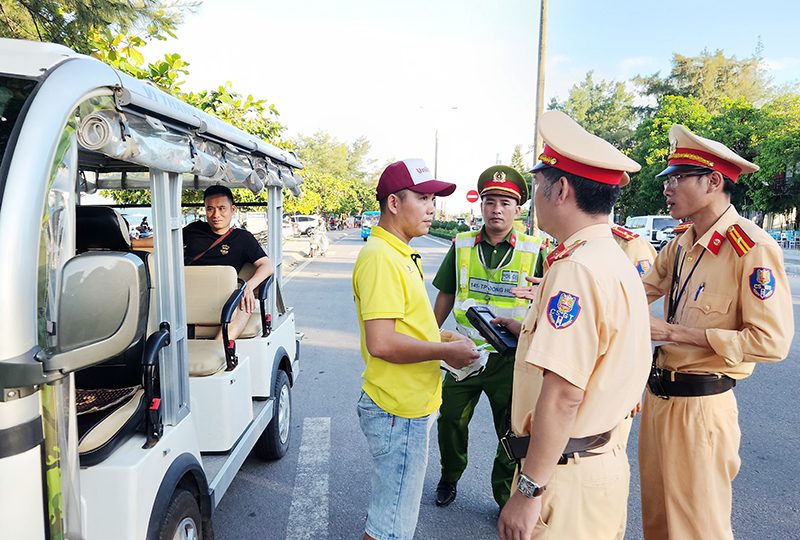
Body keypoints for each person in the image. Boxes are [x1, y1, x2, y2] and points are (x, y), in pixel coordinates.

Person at [494, 110, 651, 540]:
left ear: (560, 188)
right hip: (597, 466)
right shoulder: (616, 259)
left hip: (563, 477)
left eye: (538, 185)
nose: (532, 199)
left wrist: (528, 491)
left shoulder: (576, 269)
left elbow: (563, 395)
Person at [638, 125, 794, 540]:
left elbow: (771, 341)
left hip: (701, 407)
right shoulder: (680, 244)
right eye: (667, 178)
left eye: (677, 178)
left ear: (713, 182)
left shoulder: (752, 249)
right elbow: (633, 293)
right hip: (658, 399)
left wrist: (676, 333)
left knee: (697, 529)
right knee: (657, 523)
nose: (667, 188)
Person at [352, 158, 480, 540]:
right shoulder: (381, 258)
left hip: (406, 405)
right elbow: (382, 342)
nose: (432, 209)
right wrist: (445, 353)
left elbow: (406, 326)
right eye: (423, 198)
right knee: (390, 526)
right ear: (394, 203)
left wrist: (445, 339)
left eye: (434, 200)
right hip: (398, 409)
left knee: (392, 518)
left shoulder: (399, 253)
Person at [431, 165, 545, 508]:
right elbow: (446, 294)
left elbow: (549, 299)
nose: (497, 209)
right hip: (463, 354)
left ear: (518, 208)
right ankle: (449, 476)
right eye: (490, 201)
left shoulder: (535, 248)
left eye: (505, 202)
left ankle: (503, 496)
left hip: (511, 359)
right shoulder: (462, 243)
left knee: (511, 432)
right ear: (480, 205)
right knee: (450, 419)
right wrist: (432, 340)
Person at [133, 185, 274, 340]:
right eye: (210, 209)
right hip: (187, 292)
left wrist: (248, 287)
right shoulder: (194, 230)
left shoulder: (243, 238)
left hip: (222, 296)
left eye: (222, 208)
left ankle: (219, 350)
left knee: (244, 303)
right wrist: (129, 243)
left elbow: (267, 266)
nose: (216, 214)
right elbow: (162, 241)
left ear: (232, 210)